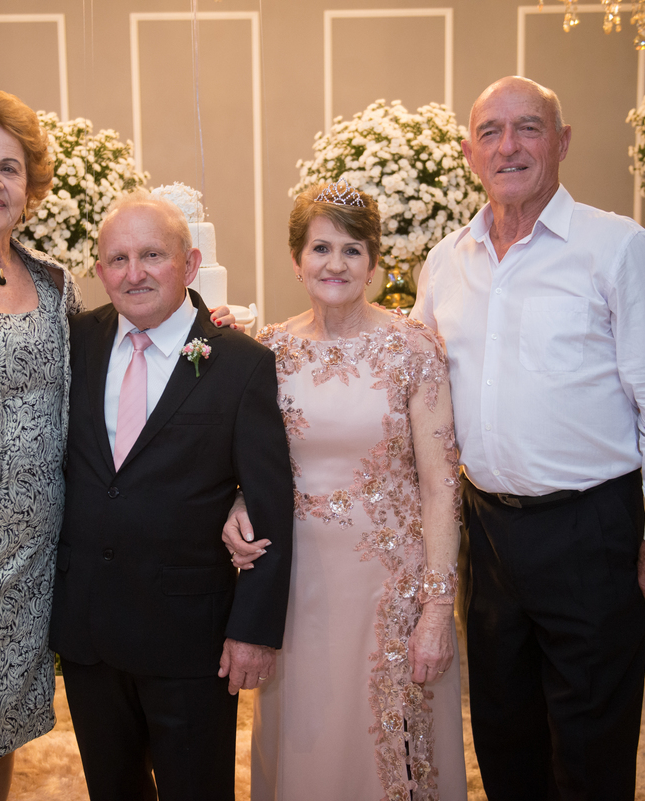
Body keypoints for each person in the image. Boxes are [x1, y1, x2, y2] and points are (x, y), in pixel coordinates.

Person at [0, 87, 239, 801]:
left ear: (29, 186)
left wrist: (213, 332)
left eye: (9, 167)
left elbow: (131, 365)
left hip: (35, 566)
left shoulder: (52, 284)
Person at [412, 76, 645, 800]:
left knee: (590, 743)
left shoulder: (617, 248)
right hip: (487, 533)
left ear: (562, 142)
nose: (508, 146)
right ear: (470, 152)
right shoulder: (446, 262)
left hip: (590, 531)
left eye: (529, 128)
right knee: (504, 732)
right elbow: (410, 388)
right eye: (490, 131)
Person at [47, 190, 294, 801]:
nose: (134, 273)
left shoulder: (240, 363)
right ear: (100, 270)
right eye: (118, 259)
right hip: (90, 627)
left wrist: (254, 630)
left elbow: (270, 501)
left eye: (152, 255)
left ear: (190, 264)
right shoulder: (74, 342)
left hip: (189, 636)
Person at [233, 181, 468, 800]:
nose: (334, 264)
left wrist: (437, 610)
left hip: (390, 588)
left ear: (374, 263)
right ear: (296, 260)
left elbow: (442, 488)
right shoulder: (268, 351)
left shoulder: (413, 348)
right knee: (307, 736)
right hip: (296, 586)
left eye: (352, 250)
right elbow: (253, 464)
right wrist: (238, 502)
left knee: (385, 745)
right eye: (320, 248)